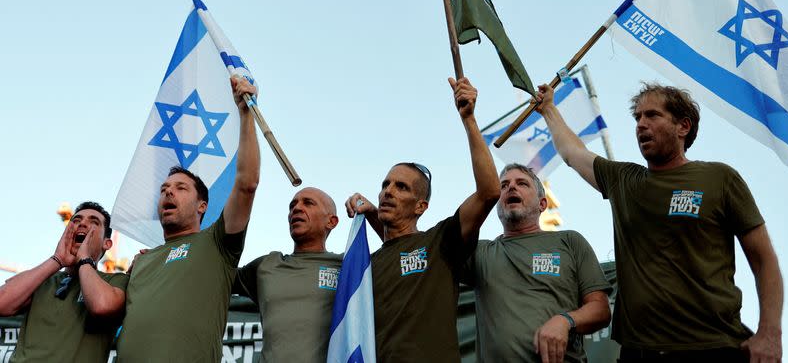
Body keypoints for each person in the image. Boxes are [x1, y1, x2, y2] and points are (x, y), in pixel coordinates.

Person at [535, 81, 783, 362]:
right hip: (639, 353)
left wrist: (770, 333)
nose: (641, 124)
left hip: (712, 347)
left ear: (683, 127)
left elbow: (764, 260)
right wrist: (548, 110)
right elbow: (572, 152)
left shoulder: (720, 178)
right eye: (637, 117)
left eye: (652, 115)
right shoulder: (624, 180)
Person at [81, 76, 261, 362]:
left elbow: (246, 184)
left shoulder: (218, 243)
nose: (168, 193)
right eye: (164, 189)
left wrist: (245, 114)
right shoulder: (141, 262)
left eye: (180, 188)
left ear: (202, 206)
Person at [346, 77, 500, 362]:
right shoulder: (368, 263)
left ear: (421, 206)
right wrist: (369, 214)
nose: (388, 191)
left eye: (401, 187)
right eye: (385, 184)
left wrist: (469, 120)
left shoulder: (440, 242)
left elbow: (490, 192)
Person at [462, 163, 611, 363]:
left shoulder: (569, 241)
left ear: (542, 204)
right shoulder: (479, 253)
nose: (511, 188)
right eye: (504, 186)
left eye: (522, 183)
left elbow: (600, 310)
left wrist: (565, 321)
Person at [0, 202, 127, 362]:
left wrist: (84, 260)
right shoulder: (44, 279)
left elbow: (102, 306)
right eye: (76, 220)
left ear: (107, 243)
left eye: (94, 222)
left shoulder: (114, 281)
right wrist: (57, 259)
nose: (82, 223)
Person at [234, 186, 341, 362]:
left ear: (331, 221)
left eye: (308, 203)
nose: (296, 208)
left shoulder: (347, 266)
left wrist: (370, 214)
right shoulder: (266, 265)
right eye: (292, 206)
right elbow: (216, 277)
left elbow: (393, 260)